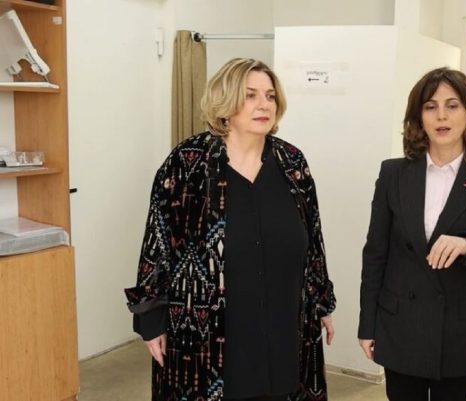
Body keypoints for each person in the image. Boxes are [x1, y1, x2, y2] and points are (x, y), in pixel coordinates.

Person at [125, 58, 336, 401]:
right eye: (250, 95)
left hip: (284, 325)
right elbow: (157, 241)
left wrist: (321, 301)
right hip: (207, 334)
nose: (264, 104)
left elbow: (312, 239)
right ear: (225, 102)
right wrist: (151, 319)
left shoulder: (292, 163)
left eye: (270, 96)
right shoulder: (187, 163)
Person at [357, 67, 466, 401]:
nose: (441, 116)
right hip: (401, 326)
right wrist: (367, 325)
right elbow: (375, 254)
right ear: (419, 117)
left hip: (460, 332)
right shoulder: (393, 174)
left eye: (452, 105)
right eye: (430, 106)